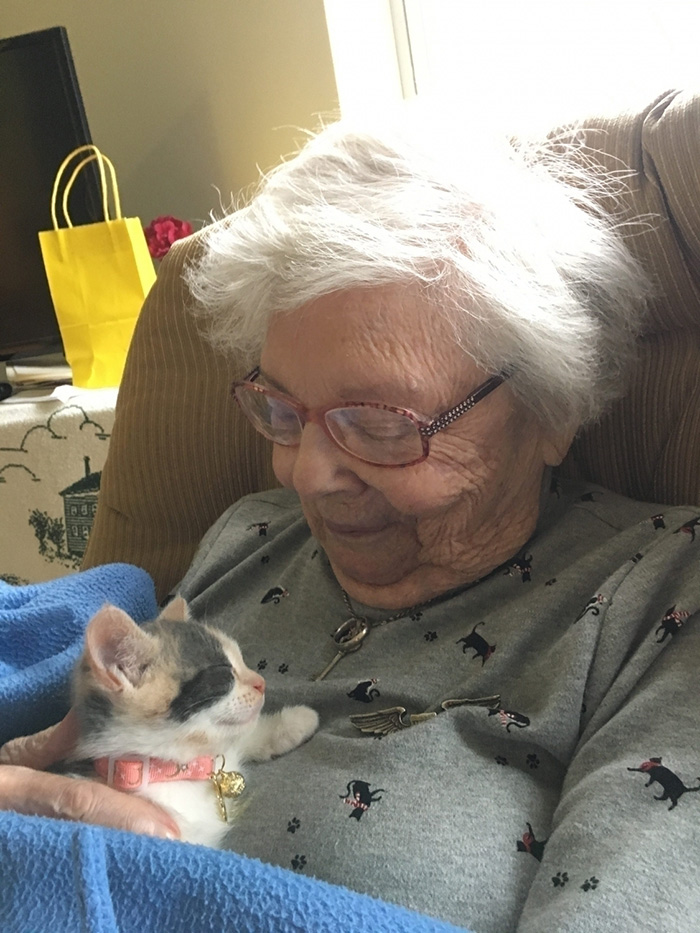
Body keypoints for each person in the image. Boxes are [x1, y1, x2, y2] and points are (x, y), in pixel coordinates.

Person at [3, 105, 700, 933]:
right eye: (282, 411)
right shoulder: (249, 535)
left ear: (552, 409)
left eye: (379, 424)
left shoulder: (658, 603)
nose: (304, 474)